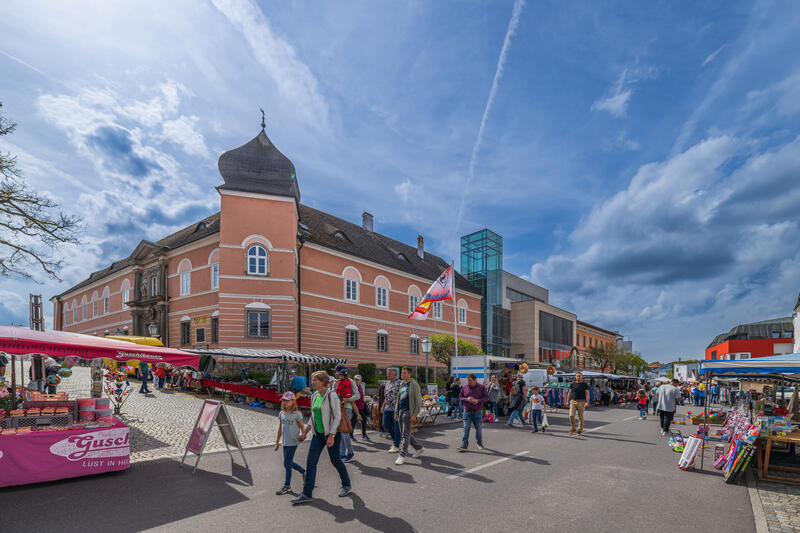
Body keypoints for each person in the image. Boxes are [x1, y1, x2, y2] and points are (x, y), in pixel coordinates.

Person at [292, 371, 351, 505]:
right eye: (312, 380)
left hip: (331, 434)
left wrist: (332, 435)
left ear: (323, 382)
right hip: (317, 435)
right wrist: (305, 432)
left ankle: (346, 484)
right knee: (311, 463)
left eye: (315, 380)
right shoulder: (314, 396)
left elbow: (337, 417)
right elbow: (313, 417)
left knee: (335, 460)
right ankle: (307, 493)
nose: (312, 383)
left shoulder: (332, 395)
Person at [274, 392, 307, 495]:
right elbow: (280, 429)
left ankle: (287, 485)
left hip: (293, 442)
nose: (285, 403)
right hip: (285, 442)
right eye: (283, 400)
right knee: (287, 463)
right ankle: (304, 472)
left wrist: (303, 435)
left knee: (287, 463)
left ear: (293, 401)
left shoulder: (297, 414)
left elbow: (302, 427)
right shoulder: (282, 413)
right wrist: (277, 442)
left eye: (287, 401)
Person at [394, 367, 423, 465]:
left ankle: (402, 455)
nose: (403, 375)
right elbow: (398, 399)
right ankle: (419, 448)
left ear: (410, 374)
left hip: (408, 411)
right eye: (402, 373)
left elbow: (419, 401)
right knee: (404, 433)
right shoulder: (402, 384)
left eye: (405, 373)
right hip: (401, 411)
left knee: (405, 435)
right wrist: (396, 412)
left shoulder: (414, 384)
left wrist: (415, 414)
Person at [457, 373, 488, 451]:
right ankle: (464, 445)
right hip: (467, 411)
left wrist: (478, 401)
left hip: (477, 411)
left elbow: (486, 397)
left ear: (475, 380)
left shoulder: (481, 387)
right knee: (466, 427)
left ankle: (479, 443)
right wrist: (466, 399)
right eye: (468, 380)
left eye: (470, 380)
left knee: (478, 428)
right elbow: (460, 397)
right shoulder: (464, 387)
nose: (468, 382)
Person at [334, 366, 356, 462]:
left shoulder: (347, 382)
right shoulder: (341, 381)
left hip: (346, 408)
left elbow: (358, 395)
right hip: (340, 408)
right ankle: (342, 454)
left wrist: (347, 399)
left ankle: (350, 453)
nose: (336, 374)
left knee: (344, 432)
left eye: (337, 373)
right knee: (341, 432)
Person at [382, 368, 402, 453]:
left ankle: (396, 445)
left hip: (396, 409)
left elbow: (403, 396)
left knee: (397, 427)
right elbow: (386, 396)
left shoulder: (400, 383)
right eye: (387, 373)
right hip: (387, 408)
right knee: (385, 424)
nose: (387, 375)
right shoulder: (387, 383)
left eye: (389, 374)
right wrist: (383, 406)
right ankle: (397, 440)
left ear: (394, 374)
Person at [352, 375, 370, 441]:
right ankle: (351, 435)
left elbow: (361, 397)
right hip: (355, 407)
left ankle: (364, 435)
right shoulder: (353, 388)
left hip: (361, 407)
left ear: (360, 381)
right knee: (353, 421)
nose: (356, 381)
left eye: (357, 380)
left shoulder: (360, 387)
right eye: (355, 379)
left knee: (364, 420)